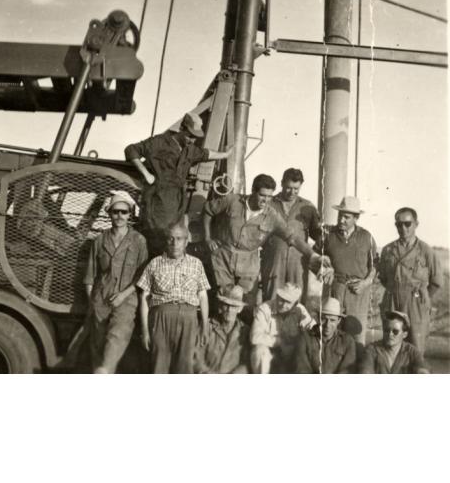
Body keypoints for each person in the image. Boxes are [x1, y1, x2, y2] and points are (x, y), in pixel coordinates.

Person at [203, 174, 331, 317]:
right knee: (223, 302)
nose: (266, 200)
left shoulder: (272, 215)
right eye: (262, 195)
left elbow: (293, 238)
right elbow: (208, 211)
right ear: (253, 190)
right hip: (223, 259)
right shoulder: (232, 201)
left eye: (270, 197)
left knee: (246, 308)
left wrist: (313, 255)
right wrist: (208, 238)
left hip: (248, 265)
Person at [125, 112, 231, 254]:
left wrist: (225, 155)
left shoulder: (190, 150)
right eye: (189, 135)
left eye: (195, 137)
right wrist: (147, 174)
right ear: (181, 128)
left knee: (172, 237)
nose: (192, 140)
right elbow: (131, 150)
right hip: (158, 199)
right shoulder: (159, 142)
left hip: (178, 202)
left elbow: (207, 154)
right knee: (156, 237)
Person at [84, 194, 148, 374]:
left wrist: (123, 295)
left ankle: (103, 372)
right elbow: (90, 275)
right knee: (97, 345)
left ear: (130, 215)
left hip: (126, 299)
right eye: (115, 212)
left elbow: (142, 275)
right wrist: (93, 303)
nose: (119, 216)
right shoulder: (99, 240)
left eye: (124, 212)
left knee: (117, 336)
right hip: (101, 299)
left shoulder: (139, 241)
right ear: (109, 214)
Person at [137, 223, 210, 374]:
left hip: (189, 318)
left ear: (186, 241)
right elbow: (144, 298)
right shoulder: (155, 263)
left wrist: (204, 325)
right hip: (160, 318)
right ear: (166, 241)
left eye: (179, 239)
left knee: (185, 367)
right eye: (170, 239)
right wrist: (144, 330)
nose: (175, 243)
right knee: (159, 365)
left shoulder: (196, 264)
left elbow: (203, 296)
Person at [378, 207, 442, 355]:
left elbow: (437, 281)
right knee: (391, 345)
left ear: (416, 224)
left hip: (415, 304)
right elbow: (383, 278)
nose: (403, 228)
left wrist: (422, 297)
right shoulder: (388, 250)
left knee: (415, 347)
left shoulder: (426, 251)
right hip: (392, 301)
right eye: (399, 224)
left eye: (407, 224)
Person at [315, 196, 377, 349]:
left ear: (356, 218)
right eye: (340, 215)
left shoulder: (366, 237)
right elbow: (313, 258)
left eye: (346, 217)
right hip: (334, 289)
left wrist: (366, 282)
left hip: (357, 293)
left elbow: (375, 266)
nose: (341, 220)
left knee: (356, 334)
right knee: (330, 333)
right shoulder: (328, 235)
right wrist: (323, 267)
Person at [260, 168, 321, 302]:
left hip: (298, 264)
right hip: (273, 261)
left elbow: (318, 235)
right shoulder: (269, 203)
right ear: (281, 183)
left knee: (296, 301)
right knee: (271, 298)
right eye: (288, 188)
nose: (292, 192)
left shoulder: (308, 207)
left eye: (296, 189)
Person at [250, 282, 315, 373]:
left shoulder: (300, 309)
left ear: (295, 303)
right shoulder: (265, 308)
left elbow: (313, 327)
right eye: (281, 300)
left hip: (291, 353)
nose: (283, 305)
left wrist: (310, 327)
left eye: (288, 302)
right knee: (260, 351)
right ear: (277, 296)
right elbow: (255, 338)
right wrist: (280, 341)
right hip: (270, 352)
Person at [194, 285, 251, 374]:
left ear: (240, 309)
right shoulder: (207, 327)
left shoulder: (245, 331)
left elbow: (247, 363)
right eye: (226, 305)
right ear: (220, 306)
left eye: (233, 306)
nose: (229, 310)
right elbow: (195, 357)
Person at [296, 297, 356, 373]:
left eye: (332, 320)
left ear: (339, 320)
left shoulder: (347, 341)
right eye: (324, 319)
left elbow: (347, 371)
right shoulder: (305, 339)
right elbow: (302, 369)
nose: (327, 325)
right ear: (318, 317)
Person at [360, 311, 429, 374]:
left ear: (404, 334)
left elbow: (422, 367)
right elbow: (366, 369)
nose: (390, 334)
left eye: (395, 331)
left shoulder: (412, 352)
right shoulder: (372, 349)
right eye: (387, 330)